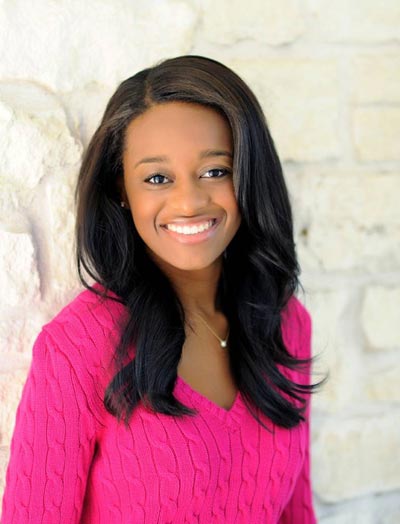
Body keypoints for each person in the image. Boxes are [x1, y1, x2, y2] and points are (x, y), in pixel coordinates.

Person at [1, 55, 319, 523]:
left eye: (216, 171)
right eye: (157, 178)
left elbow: (297, 513)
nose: (189, 202)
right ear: (122, 188)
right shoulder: (79, 348)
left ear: (249, 173)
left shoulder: (286, 323)